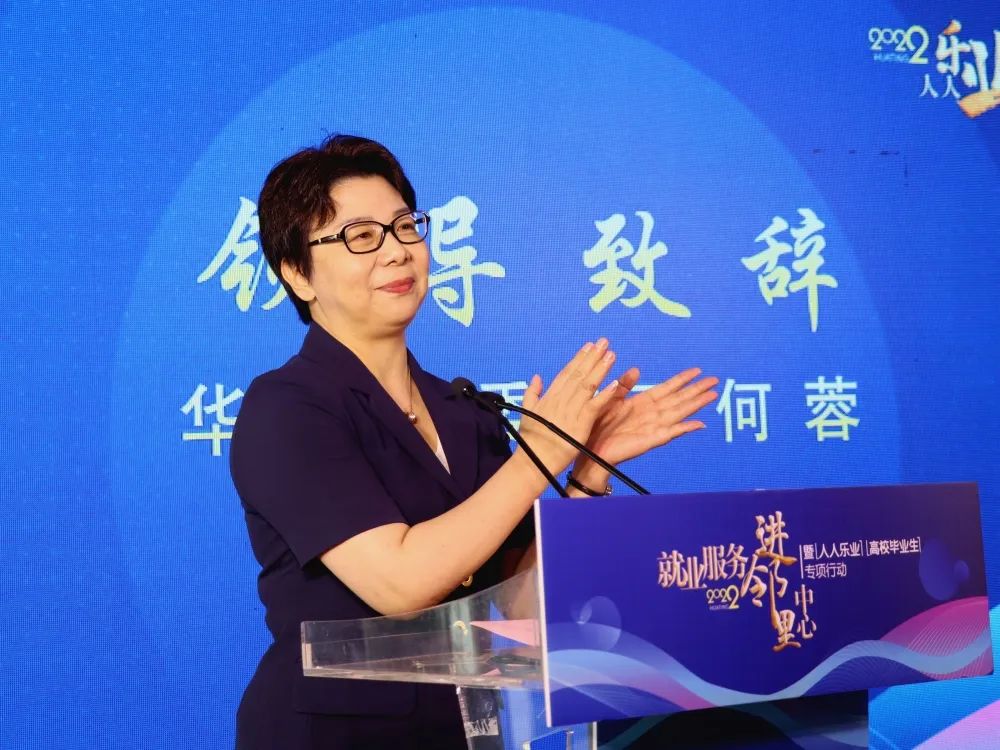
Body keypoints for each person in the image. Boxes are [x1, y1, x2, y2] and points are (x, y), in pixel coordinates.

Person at [229, 134, 718, 749]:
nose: (397, 251)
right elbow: (399, 582)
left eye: (405, 227)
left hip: (465, 731)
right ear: (298, 274)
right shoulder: (287, 408)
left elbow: (529, 606)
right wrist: (541, 456)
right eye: (361, 236)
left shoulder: (464, 411)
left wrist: (586, 473)